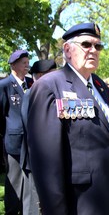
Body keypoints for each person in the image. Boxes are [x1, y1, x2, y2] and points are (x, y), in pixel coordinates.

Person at [27, 22, 109, 214]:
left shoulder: (99, 85)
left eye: (98, 46)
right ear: (68, 49)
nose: (93, 50)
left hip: (106, 194)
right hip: (78, 201)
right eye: (86, 45)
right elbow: (46, 160)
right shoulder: (49, 86)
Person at [21, 59, 56, 215]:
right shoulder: (32, 94)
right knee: (35, 204)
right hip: (38, 158)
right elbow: (33, 129)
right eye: (52, 74)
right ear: (41, 76)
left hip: (48, 159)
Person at [0, 50, 33, 214]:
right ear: (13, 65)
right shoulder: (5, 85)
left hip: (31, 143)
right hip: (14, 143)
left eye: (28, 62)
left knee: (29, 183)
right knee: (14, 180)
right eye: (24, 63)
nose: (27, 66)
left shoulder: (31, 83)